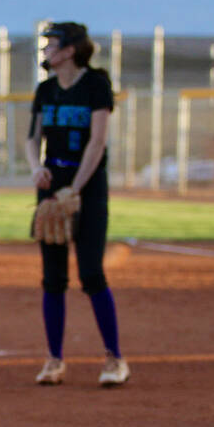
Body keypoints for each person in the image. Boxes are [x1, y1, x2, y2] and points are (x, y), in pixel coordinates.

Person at [25, 21, 129, 387]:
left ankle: (115, 359)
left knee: (91, 273)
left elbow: (97, 142)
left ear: (70, 50)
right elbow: (32, 139)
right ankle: (54, 360)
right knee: (53, 278)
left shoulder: (96, 84)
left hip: (87, 189)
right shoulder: (46, 88)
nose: (46, 50)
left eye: (52, 44)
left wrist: (76, 188)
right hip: (52, 186)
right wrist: (36, 169)